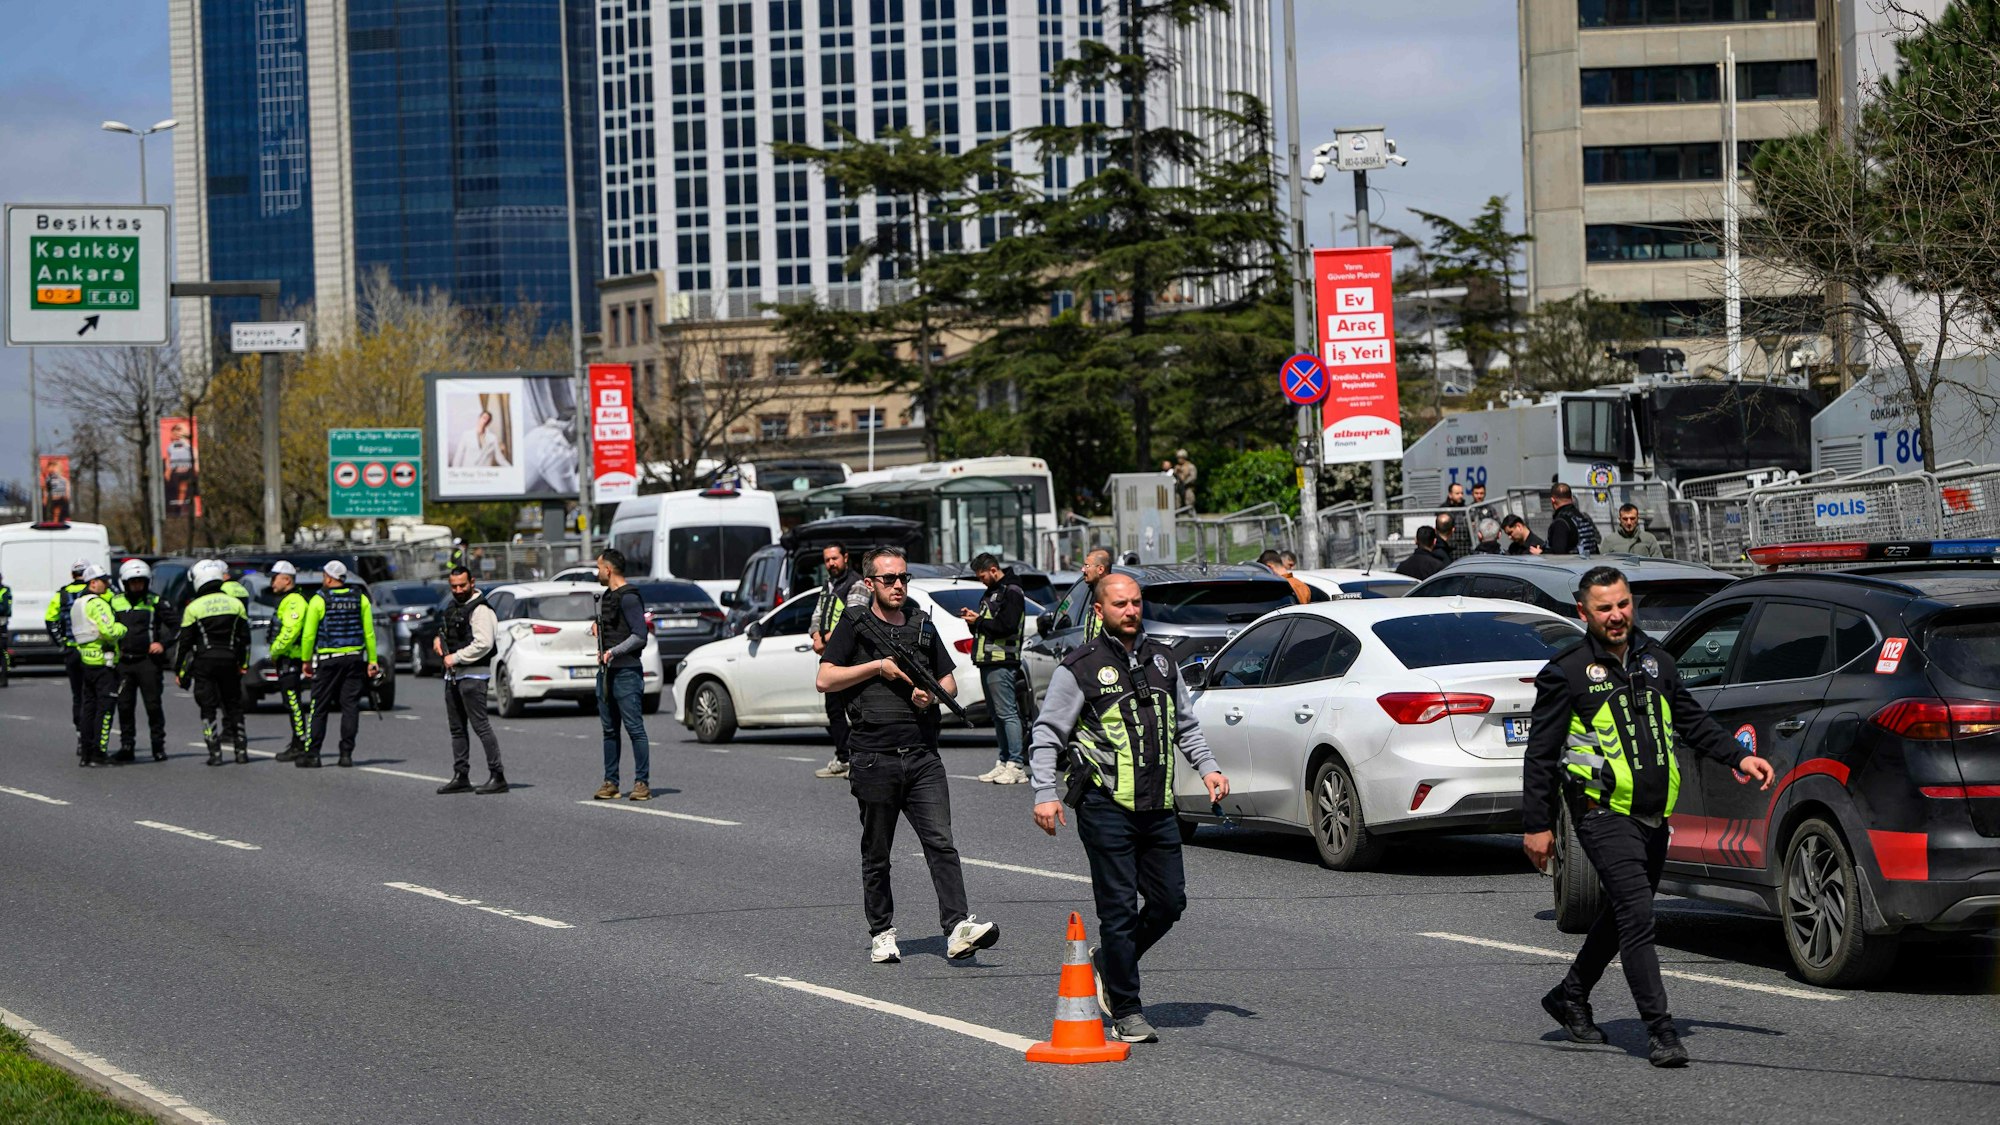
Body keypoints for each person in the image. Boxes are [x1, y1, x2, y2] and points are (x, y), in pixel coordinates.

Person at [1522, 566, 1775, 1067]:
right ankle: (1659, 1031)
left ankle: (1571, 994)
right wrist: (1536, 825)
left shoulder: (1657, 660)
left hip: (1654, 815)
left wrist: (1738, 757)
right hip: (1600, 813)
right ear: (1584, 613)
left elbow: (1691, 720)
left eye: (1622, 604)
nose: (1616, 616)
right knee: (1638, 917)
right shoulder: (1567, 671)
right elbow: (1541, 754)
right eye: (1604, 608)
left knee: (1621, 914)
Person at [1028, 573, 1229, 1044]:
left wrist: (1209, 767)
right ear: (1098, 611)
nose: (1131, 611)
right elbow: (1047, 734)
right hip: (1104, 804)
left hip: (1158, 805)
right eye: (1120, 604)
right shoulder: (1077, 667)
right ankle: (1127, 1007)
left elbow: (1184, 724)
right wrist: (1044, 793)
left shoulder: (1162, 660)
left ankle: (1108, 962)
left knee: (1169, 902)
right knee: (1117, 910)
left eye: (1136, 602)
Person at [817, 547, 999, 965]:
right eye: (889, 579)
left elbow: (948, 682)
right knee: (877, 853)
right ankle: (882, 931)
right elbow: (825, 678)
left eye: (903, 577)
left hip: (922, 755)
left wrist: (928, 697)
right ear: (870, 584)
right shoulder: (856, 624)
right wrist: (877, 667)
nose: (898, 585)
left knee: (941, 843)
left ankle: (957, 928)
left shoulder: (921, 623)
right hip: (873, 756)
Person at [299, 560, 378, 769]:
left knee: (319, 707)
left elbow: (308, 635)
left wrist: (306, 660)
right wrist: (372, 660)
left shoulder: (319, 599)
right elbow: (369, 633)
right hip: (354, 658)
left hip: (328, 659)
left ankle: (313, 754)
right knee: (350, 706)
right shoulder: (360, 598)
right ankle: (346, 754)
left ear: (328, 577)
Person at [435, 566, 507, 794]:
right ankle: (461, 775)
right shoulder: (455, 607)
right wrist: (439, 641)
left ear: (472, 582)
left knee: (481, 727)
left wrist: (455, 657)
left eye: (462, 585)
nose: (458, 590)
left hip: (474, 675)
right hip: (454, 675)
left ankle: (498, 776)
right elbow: (448, 631)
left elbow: (484, 643)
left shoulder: (481, 609)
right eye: (454, 586)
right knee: (457, 728)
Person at [961, 553, 1030, 785]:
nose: (981, 581)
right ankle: (1004, 761)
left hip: (1003, 659)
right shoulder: (993, 591)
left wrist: (978, 622)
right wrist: (975, 621)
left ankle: (1016, 764)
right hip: (988, 659)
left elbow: (1007, 626)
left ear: (993, 569)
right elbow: (991, 625)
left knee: (1007, 713)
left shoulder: (1011, 591)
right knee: (997, 714)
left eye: (982, 576)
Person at [175, 559, 250, 767]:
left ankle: (215, 753)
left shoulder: (194, 607)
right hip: (230, 660)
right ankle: (241, 751)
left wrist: (180, 671)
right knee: (233, 705)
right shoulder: (235, 603)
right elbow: (245, 639)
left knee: (208, 707)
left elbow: (184, 643)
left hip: (204, 663)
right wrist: (243, 663)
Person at [592, 548, 652, 801]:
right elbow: (615, 626)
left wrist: (613, 652)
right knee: (609, 731)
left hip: (626, 673)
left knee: (634, 729)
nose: (597, 573)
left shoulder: (628, 597)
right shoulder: (608, 596)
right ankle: (610, 782)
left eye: (598, 568)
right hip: (606, 674)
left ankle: (642, 784)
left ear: (608, 569)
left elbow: (640, 636)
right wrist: (596, 628)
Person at [109, 559, 173, 763]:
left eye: (141, 582)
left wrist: (162, 643)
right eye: (133, 582)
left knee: (153, 706)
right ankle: (127, 746)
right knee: (125, 706)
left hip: (148, 662)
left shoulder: (155, 601)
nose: (137, 586)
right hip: (124, 663)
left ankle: (158, 747)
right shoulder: (114, 602)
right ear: (125, 583)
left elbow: (178, 626)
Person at [811, 544, 865, 780]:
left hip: (851, 657)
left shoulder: (857, 583)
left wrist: (824, 640)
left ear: (845, 557)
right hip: (831, 657)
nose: (831, 563)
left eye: (834, 558)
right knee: (833, 710)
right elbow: (816, 615)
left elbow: (854, 617)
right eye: (827, 560)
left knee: (855, 709)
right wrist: (816, 636)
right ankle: (843, 758)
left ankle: (860, 760)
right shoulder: (828, 585)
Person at [70, 564, 125, 768]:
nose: (108, 585)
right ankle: (99, 753)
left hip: (86, 660)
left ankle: (85, 753)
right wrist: (123, 627)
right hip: (104, 662)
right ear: (93, 583)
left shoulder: (78, 603)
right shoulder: (98, 603)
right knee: (106, 708)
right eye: (104, 581)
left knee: (88, 708)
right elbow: (110, 630)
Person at [268, 561, 312, 762]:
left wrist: (275, 651)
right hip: (290, 658)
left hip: (292, 658)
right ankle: (298, 740)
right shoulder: (287, 599)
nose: (272, 583)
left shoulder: (294, 600)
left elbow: (290, 630)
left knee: (293, 702)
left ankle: (300, 742)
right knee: (291, 702)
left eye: (274, 577)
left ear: (287, 579)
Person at [46, 559, 91, 757]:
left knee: (78, 695)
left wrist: (61, 642)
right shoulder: (96, 592)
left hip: (72, 651)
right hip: (93, 650)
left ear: (72, 574)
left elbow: (50, 619)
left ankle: (81, 736)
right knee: (95, 695)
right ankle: (95, 737)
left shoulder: (61, 594)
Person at [1052, 548, 1114, 642]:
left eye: (1087, 566)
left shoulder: (1113, 596)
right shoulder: (1092, 592)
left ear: (1100, 569)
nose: (1083, 570)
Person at [1545, 482, 1602, 556]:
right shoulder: (1585, 517)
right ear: (1571, 498)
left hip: (1573, 566)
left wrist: (1542, 553)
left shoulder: (1561, 523)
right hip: (1591, 564)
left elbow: (1558, 556)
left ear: (1553, 500)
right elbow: (1595, 545)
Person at [1442, 483, 1474, 557]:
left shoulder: (1466, 509)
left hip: (1465, 549)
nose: (1461, 496)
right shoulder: (1443, 510)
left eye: (1462, 493)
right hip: (1449, 550)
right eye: (1457, 493)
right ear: (1450, 495)